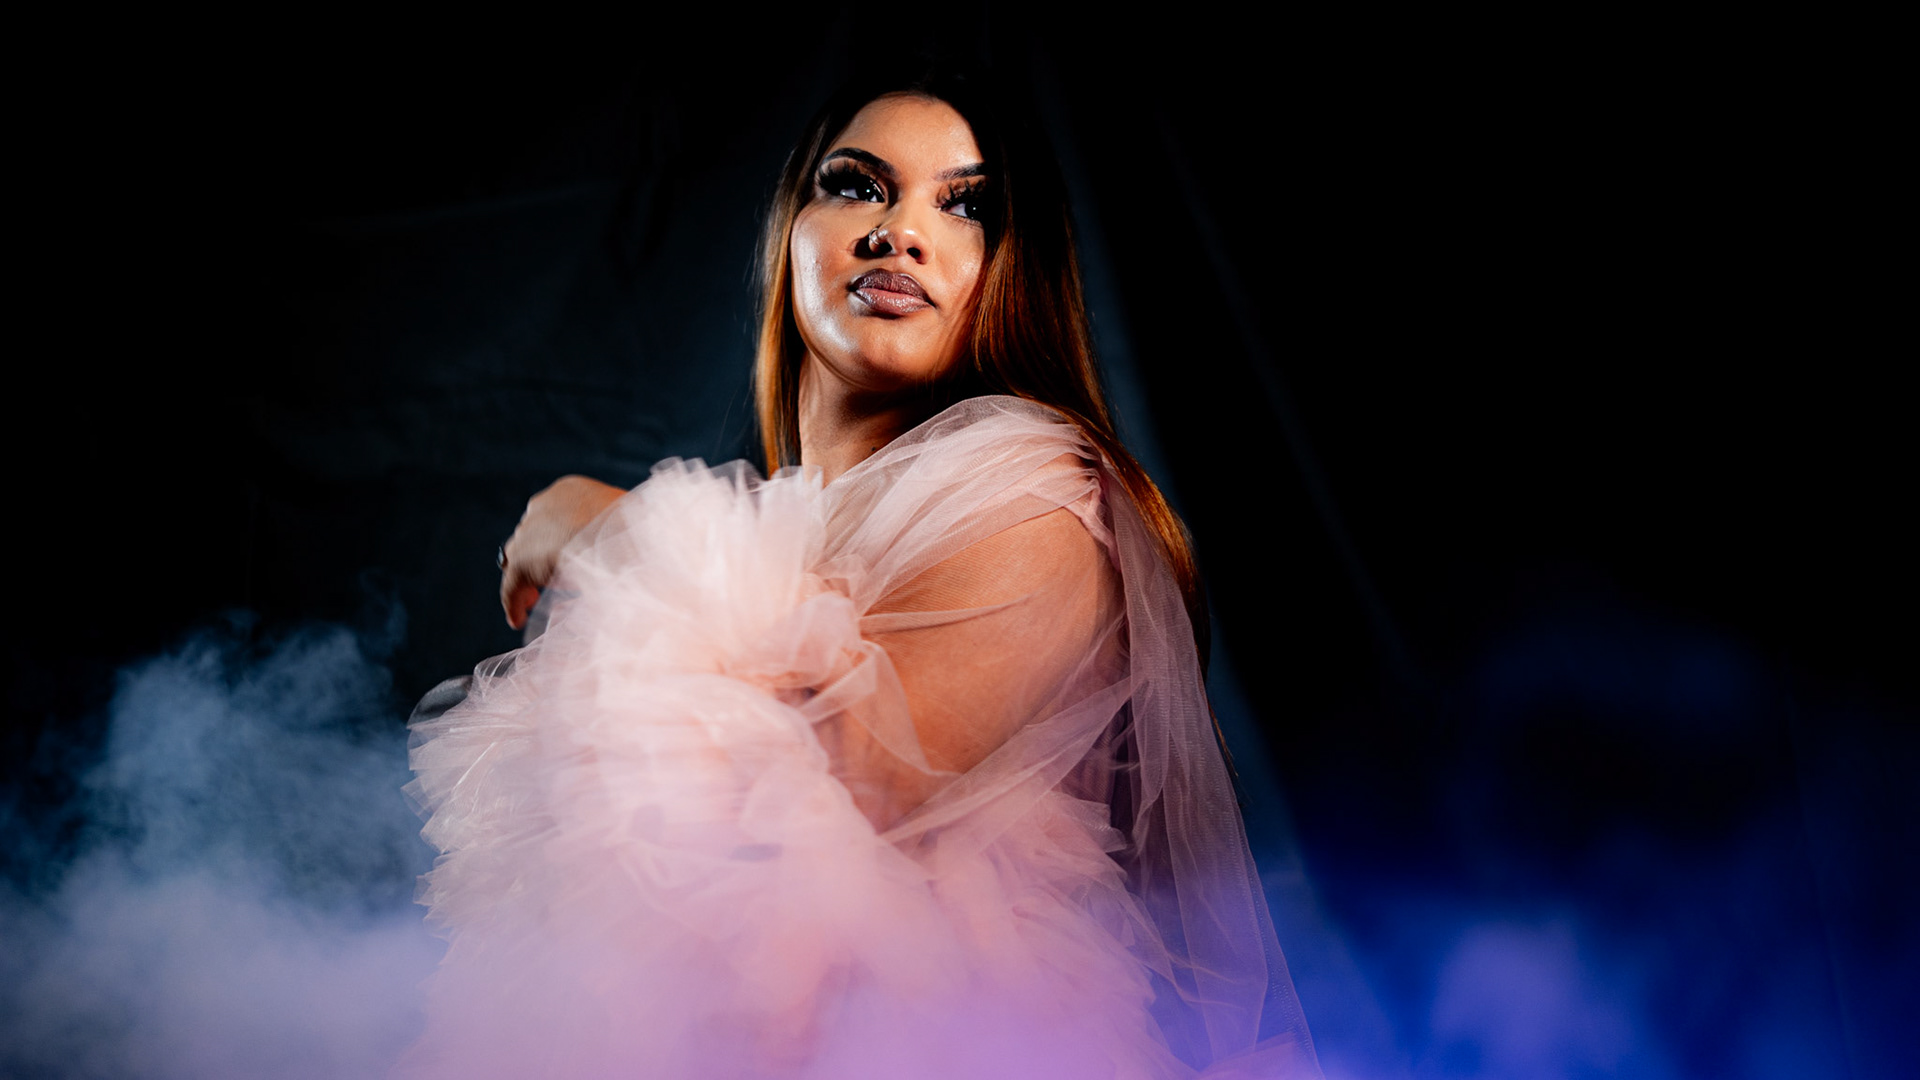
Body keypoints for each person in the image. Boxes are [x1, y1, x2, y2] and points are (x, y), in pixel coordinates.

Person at [401, 69, 1320, 1079]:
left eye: (965, 206)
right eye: (858, 186)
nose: (900, 232)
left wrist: (617, 531)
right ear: (788, 232)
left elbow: (834, 807)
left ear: (1014, 269)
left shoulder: (1039, 495)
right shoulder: (748, 537)